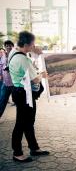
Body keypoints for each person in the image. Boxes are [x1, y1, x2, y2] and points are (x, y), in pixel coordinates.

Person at [9, 31, 49, 162]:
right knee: (22, 123)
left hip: (19, 91)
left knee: (28, 122)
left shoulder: (14, 53)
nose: (34, 46)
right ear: (26, 44)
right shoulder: (23, 59)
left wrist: (36, 54)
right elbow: (34, 80)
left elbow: (26, 74)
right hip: (24, 94)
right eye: (32, 44)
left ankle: (34, 148)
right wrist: (42, 75)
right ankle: (17, 153)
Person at [0, 41, 14, 123]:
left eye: (10, 45)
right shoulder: (3, 56)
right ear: (5, 47)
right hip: (5, 83)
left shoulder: (16, 55)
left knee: (19, 102)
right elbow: (1, 66)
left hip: (15, 83)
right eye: (7, 46)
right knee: (2, 101)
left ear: (13, 46)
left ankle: (22, 118)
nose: (8, 47)